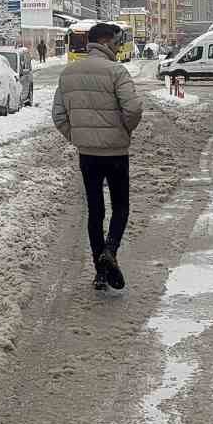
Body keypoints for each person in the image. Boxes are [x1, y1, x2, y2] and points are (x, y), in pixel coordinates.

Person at [53, 21, 144, 290]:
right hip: (116, 152)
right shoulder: (117, 71)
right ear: (106, 43)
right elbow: (133, 109)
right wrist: (123, 131)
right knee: (121, 206)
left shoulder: (69, 73)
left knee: (95, 210)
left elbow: (58, 115)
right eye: (116, 43)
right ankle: (111, 251)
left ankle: (100, 271)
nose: (118, 48)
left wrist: (79, 136)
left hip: (87, 154)